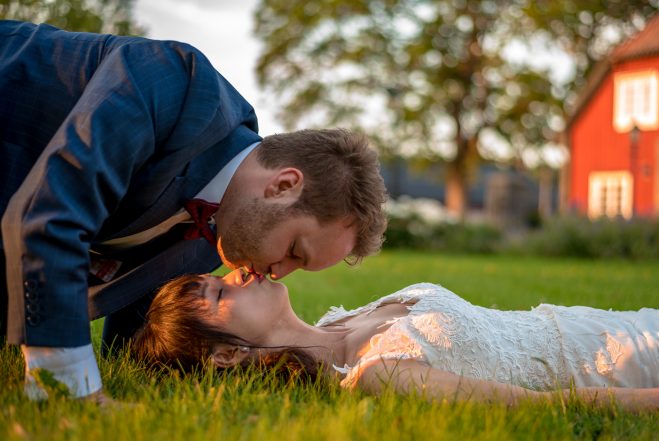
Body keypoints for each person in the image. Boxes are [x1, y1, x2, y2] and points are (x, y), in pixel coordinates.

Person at [0, 21, 387, 401]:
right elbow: (50, 216)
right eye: (294, 252)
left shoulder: (215, 239)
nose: (278, 274)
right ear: (284, 186)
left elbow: (136, 341)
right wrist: (67, 384)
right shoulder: (175, 88)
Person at [132, 270, 659, 416]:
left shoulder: (340, 319)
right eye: (218, 294)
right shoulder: (379, 373)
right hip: (642, 360)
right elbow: (540, 410)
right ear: (226, 354)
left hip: (622, 321)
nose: (237, 274)